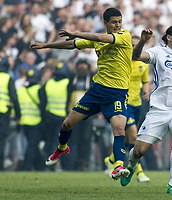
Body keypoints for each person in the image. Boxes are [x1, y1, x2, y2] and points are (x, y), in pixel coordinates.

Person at [29, 7, 132, 180]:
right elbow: (72, 44)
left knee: (119, 129)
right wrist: (47, 45)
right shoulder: (99, 40)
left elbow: (98, 37)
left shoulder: (124, 36)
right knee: (67, 124)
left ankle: (118, 165)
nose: (117, 25)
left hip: (117, 93)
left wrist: (77, 32)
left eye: (119, 21)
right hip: (97, 91)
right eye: (114, 22)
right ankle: (62, 149)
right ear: (105, 22)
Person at [120, 25, 172, 194]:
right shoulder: (158, 52)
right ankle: (132, 166)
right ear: (168, 37)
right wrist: (142, 41)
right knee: (139, 150)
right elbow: (135, 55)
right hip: (159, 108)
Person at [104, 35, 150, 182]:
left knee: (128, 138)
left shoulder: (144, 64)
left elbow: (145, 80)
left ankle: (110, 160)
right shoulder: (121, 62)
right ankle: (139, 172)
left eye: (138, 45)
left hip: (137, 104)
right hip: (124, 102)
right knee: (134, 137)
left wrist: (146, 91)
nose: (135, 48)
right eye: (132, 45)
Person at [17, 68, 45, 171]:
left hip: (24, 122)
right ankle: (26, 167)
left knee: (33, 145)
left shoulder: (21, 90)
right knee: (32, 146)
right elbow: (43, 107)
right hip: (36, 122)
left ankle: (40, 166)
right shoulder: (39, 90)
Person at [0, 57, 21, 171]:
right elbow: (14, 98)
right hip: (3, 113)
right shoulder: (8, 78)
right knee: (1, 141)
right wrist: (18, 115)